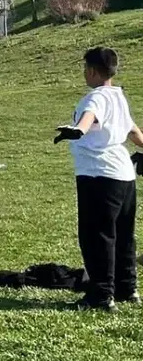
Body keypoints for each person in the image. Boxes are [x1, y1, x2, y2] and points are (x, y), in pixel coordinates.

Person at [53, 47, 143, 312]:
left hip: (99, 175)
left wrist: (77, 130)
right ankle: (128, 290)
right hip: (125, 177)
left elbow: (89, 117)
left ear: (92, 71)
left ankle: (101, 296)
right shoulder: (118, 97)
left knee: (98, 236)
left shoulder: (96, 97)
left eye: (85, 69)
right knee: (124, 236)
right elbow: (134, 132)